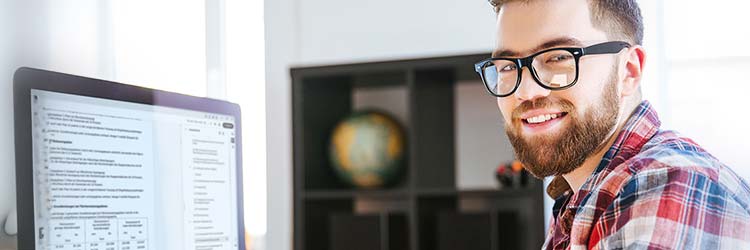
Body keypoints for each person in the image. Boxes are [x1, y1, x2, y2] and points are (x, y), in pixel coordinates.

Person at [474, 0, 750, 248]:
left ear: (629, 70)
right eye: (508, 66)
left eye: (558, 58)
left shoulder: (668, 187)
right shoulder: (579, 198)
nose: (526, 91)